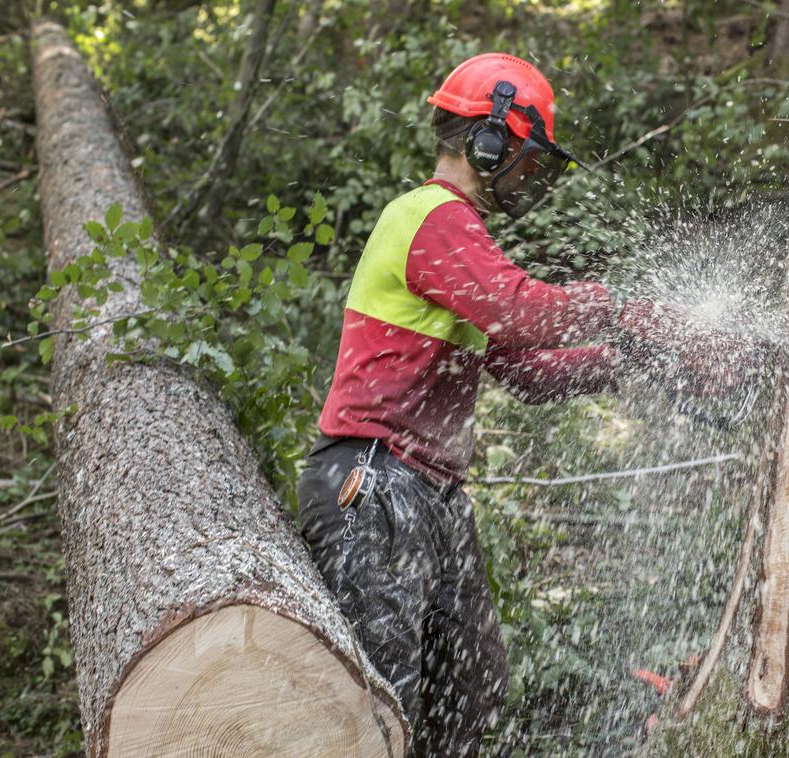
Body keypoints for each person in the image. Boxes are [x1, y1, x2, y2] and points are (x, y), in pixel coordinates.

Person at [297, 53, 746, 756]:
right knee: (381, 703)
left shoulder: (461, 245)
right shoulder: (432, 218)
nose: (528, 179)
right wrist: (620, 310)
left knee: (471, 681)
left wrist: (629, 357)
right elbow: (519, 311)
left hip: (430, 494)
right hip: (375, 485)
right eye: (525, 160)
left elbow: (529, 370)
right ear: (488, 141)